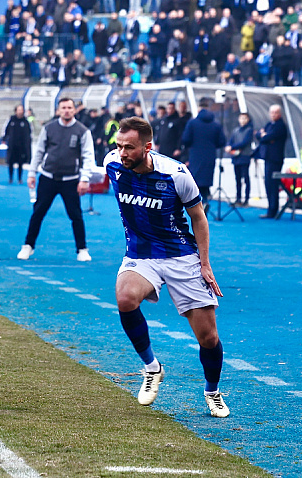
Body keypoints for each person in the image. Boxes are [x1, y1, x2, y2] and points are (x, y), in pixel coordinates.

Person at [105, 116, 229, 418]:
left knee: (208, 338)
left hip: (180, 256)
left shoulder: (177, 174)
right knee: (125, 297)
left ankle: (212, 392)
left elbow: (199, 218)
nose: (122, 153)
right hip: (140, 254)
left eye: (129, 148)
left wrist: (205, 264)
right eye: (119, 146)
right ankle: (152, 369)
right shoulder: (112, 163)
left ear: (148, 147)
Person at [17, 97, 95, 262]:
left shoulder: (83, 131)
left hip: (71, 179)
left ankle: (82, 249)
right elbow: (39, 152)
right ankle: (28, 246)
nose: (66, 110)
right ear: (58, 110)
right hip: (48, 178)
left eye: (69, 107)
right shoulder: (49, 128)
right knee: (38, 212)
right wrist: (32, 173)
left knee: (76, 215)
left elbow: (88, 156)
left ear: (74, 110)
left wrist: (85, 179)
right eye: (63, 107)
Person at [181, 98, 226, 208]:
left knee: (195, 180)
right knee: (206, 180)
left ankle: (198, 204)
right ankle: (205, 201)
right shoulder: (216, 125)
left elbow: (185, 139)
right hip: (210, 156)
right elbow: (222, 141)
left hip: (195, 155)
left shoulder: (192, 123)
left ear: (199, 109)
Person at [256, 105, 288, 219]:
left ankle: (273, 210)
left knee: (273, 184)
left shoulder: (280, 126)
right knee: (268, 184)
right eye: (272, 112)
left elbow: (266, 138)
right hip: (268, 158)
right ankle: (270, 208)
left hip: (275, 159)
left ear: (280, 113)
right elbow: (259, 135)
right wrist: (264, 135)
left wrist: (265, 136)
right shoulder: (270, 125)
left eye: (276, 112)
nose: (273, 115)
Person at [225, 112, 254, 206]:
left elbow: (244, 142)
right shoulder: (236, 130)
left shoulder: (249, 130)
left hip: (244, 157)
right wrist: (229, 146)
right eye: (241, 118)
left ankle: (246, 200)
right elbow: (231, 140)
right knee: (237, 179)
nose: (243, 120)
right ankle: (238, 199)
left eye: (245, 118)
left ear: (248, 119)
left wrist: (232, 147)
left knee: (245, 179)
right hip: (236, 157)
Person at [2, 104, 32, 184]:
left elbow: (29, 133)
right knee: (10, 162)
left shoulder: (25, 121)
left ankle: (20, 178)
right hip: (12, 145)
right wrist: (4, 139)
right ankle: (10, 178)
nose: (20, 112)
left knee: (20, 163)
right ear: (15, 111)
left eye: (21, 110)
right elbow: (6, 130)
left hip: (21, 146)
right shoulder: (11, 120)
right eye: (18, 110)